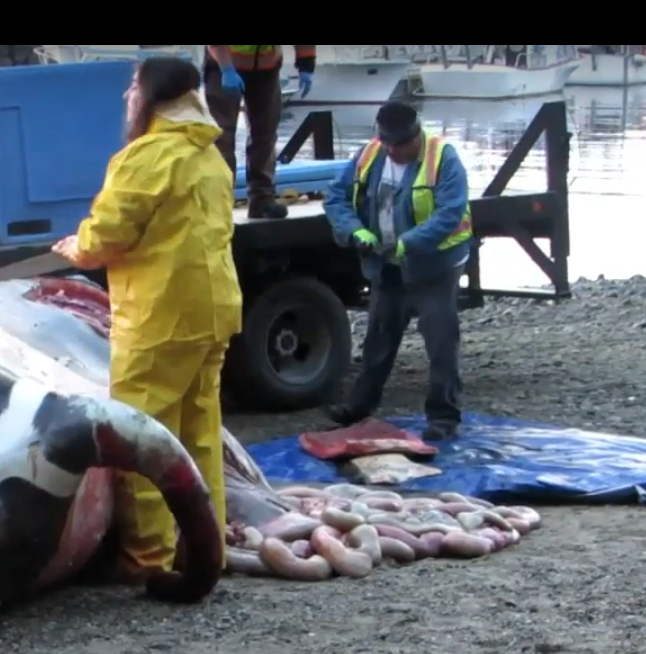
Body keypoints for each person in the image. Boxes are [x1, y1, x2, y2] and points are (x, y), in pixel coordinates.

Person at [52, 57, 242, 584]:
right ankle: (206, 550)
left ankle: (149, 557)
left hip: (160, 316)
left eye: (133, 86)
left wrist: (75, 247)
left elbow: (106, 236)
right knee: (200, 436)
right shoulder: (210, 156)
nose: (126, 96)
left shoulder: (147, 156)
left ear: (152, 95)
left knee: (145, 437)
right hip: (213, 310)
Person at [322, 100, 472, 442]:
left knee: (440, 341)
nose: (393, 150)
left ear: (416, 135)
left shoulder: (443, 158)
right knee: (379, 338)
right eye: (387, 143)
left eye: (400, 144)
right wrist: (354, 230)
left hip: (435, 267)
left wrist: (410, 243)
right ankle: (358, 408)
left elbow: (450, 213)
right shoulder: (370, 154)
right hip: (385, 264)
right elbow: (336, 198)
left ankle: (443, 417)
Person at [202, 44, 316, 220]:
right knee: (221, 137)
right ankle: (219, 203)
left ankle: (262, 200)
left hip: (266, 68)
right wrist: (226, 68)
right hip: (223, 66)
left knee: (266, 133)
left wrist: (306, 65)